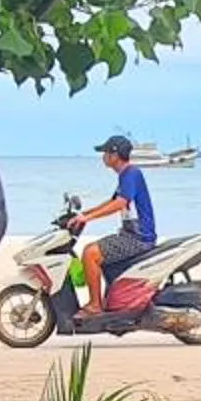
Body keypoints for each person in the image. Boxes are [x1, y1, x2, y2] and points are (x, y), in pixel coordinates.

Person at [68, 134, 157, 328]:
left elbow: (120, 203)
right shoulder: (126, 175)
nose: (103, 156)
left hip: (139, 237)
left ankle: (95, 305)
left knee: (90, 253)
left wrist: (88, 218)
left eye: (105, 152)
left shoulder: (131, 173)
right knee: (93, 250)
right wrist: (84, 214)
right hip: (131, 235)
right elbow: (112, 202)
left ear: (115, 155)